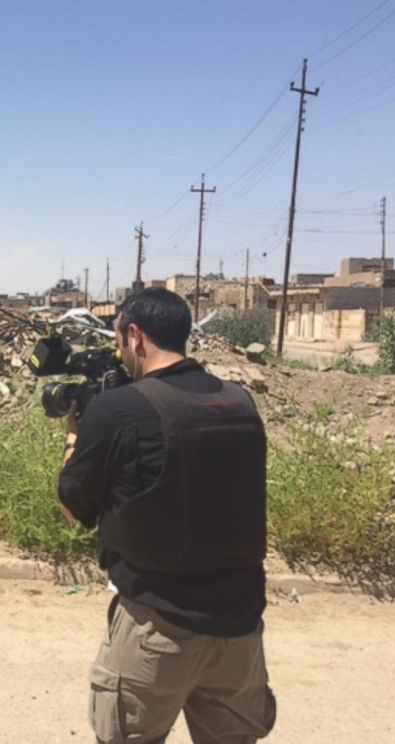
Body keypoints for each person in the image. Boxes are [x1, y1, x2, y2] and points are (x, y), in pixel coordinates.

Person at [58, 288, 276, 744]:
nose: (120, 351)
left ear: (135, 336)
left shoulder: (116, 411)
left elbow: (72, 507)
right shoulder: (240, 402)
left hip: (157, 627)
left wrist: (73, 441)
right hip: (240, 629)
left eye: (119, 340)